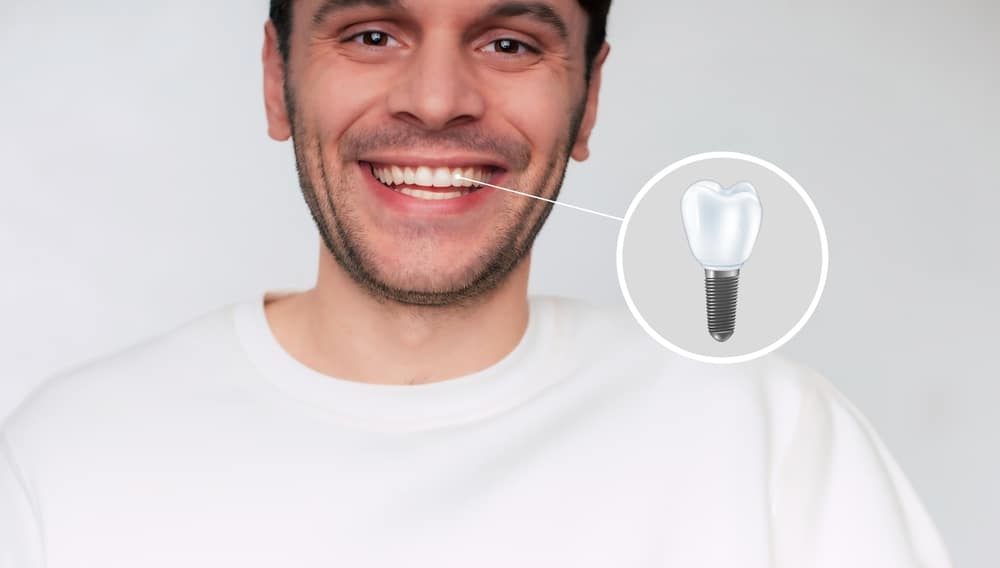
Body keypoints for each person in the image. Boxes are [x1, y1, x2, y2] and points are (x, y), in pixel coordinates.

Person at [0, 1, 952, 566]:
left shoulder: (766, 434)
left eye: (508, 41)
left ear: (588, 101)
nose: (436, 98)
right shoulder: (72, 456)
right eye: (373, 33)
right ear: (274, 76)